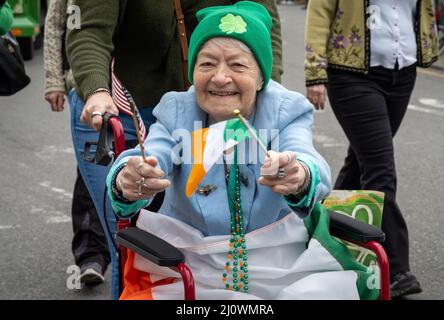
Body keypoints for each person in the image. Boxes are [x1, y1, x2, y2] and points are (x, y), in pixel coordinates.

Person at [106, 1, 380, 300]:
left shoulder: (286, 110)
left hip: (281, 263)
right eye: (207, 64)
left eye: (237, 65)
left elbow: (305, 157)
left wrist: (299, 174)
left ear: (261, 76)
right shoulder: (177, 110)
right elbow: (149, 155)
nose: (220, 77)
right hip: (188, 263)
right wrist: (129, 177)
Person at [67, 0, 283, 299]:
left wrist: (263, 98)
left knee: (212, 238)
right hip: (120, 106)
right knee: (132, 240)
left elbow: (264, 26)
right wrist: (96, 90)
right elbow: (88, 30)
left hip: (207, 103)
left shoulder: (274, 106)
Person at [304, 0, 438, 298]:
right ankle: (396, 268)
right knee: (379, 168)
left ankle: (322, 239)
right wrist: (315, 72)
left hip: (402, 70)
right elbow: (319, 12)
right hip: (351, 73)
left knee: (360, 162)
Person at [43, 0, 110, 284]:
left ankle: (136, 249)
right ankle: (91, 254)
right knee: (93, 169)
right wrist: (54, 81)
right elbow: (55, 24)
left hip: (135, 89)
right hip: (86, 89)